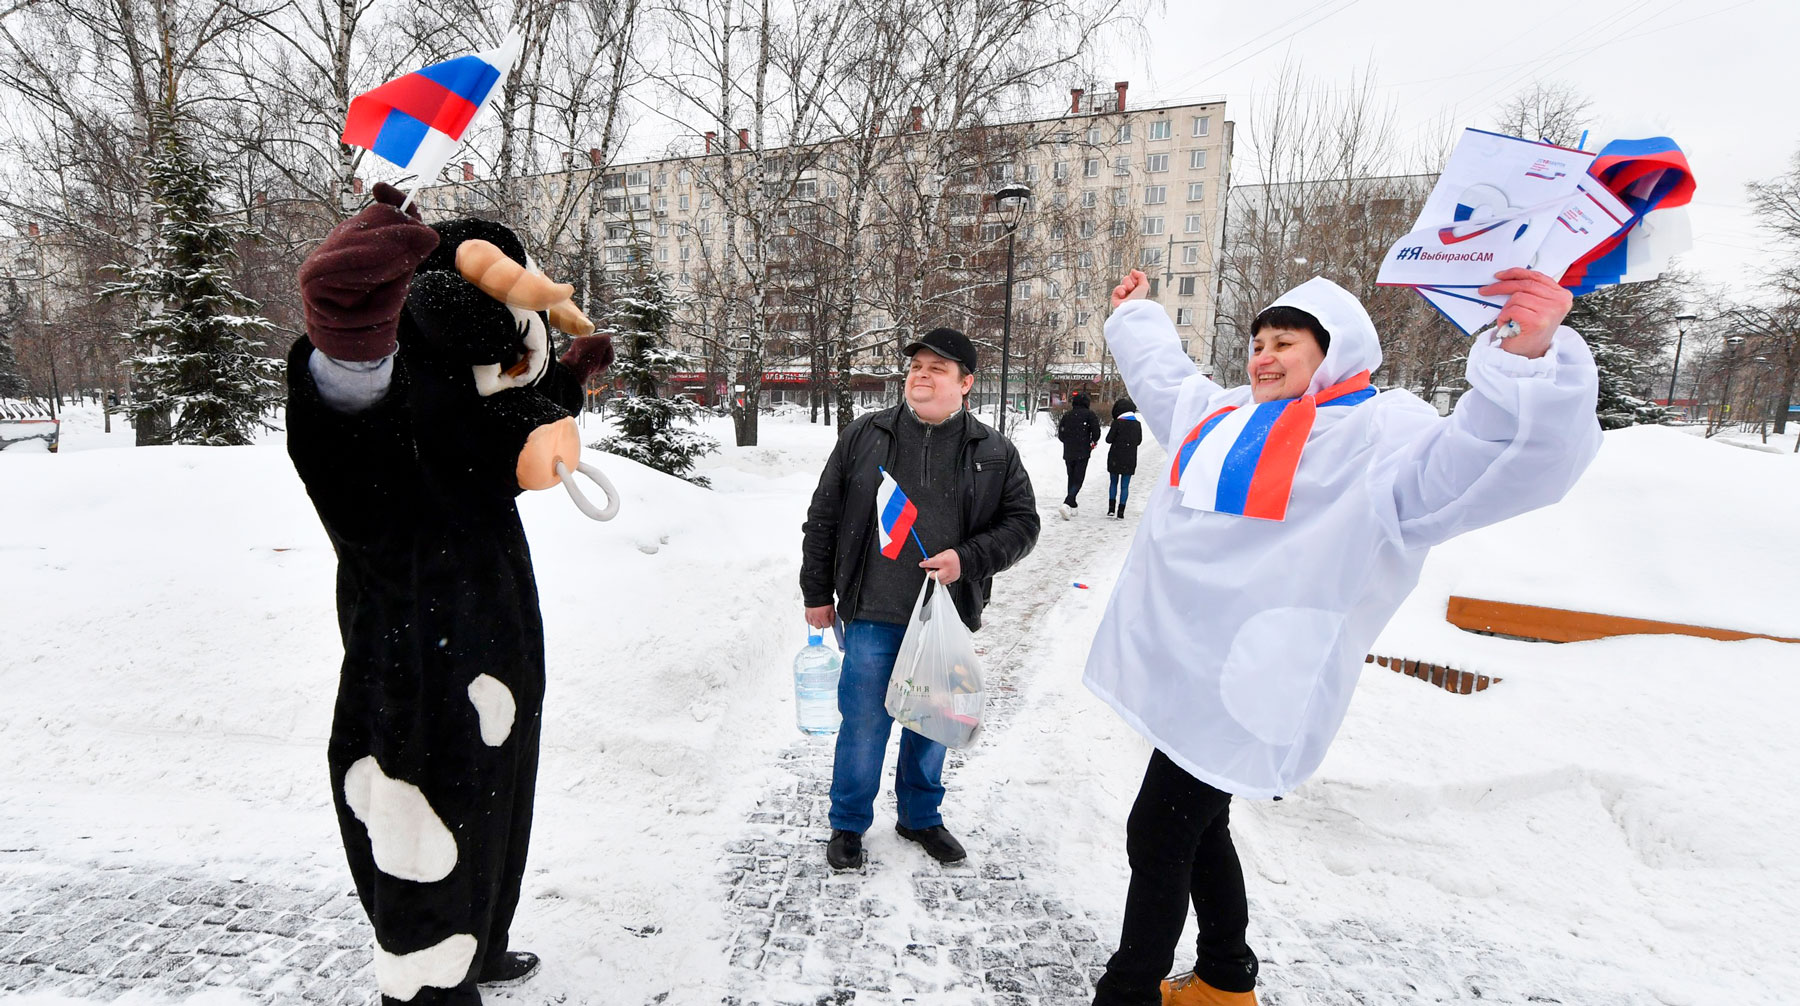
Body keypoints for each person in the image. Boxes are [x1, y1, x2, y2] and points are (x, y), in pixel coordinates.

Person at [1085, 267, 1601, 1006]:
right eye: (1257, 343)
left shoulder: (1377, 433)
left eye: (1284, 343)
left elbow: (1479, 463)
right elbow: (1168, 384)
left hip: (1255, 681)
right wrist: (1135, 316)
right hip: (1189, 672)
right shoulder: (1225, 414)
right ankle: (1227, 979)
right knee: (1202, 828)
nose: (1262, 357)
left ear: (1333, 351)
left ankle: (1127, 993)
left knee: (1159, 833)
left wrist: (1525, 357)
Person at [287, 183, 612, 1005]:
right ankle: (429, 979)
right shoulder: (393, 423)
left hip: (497, 651)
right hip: (415, 671)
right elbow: (353, 427)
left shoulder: (465, 402)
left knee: (497, 801)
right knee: (419, 815)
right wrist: (351, 346)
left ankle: (481, 941)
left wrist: (567, 382)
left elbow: (501, 414)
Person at [800, 327, 1040, 870]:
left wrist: (966, 559)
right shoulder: (865, 435)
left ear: (966, 383)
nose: (922, 375)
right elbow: (824, 518)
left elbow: (1023, 525)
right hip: (872, 610)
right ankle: (848, 823)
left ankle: (920, 816)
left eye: (938, 368)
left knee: (932, 721)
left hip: (943, 617)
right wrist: (816, 591)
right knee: (863, 722)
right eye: (916, 367)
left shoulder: (994, 451)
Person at [1058, 391, 1103, 511]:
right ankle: (1067, 502)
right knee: (1078, 478)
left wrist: (1068, 441)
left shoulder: (1067, 415)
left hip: (1068, 451)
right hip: (1083, 451)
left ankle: (1072, 505)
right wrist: (1092, 441)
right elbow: (1096, 433)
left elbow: (1061, 434)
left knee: (1071, 477)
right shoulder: (1089, 415)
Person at [1105, 395, 1142, 519]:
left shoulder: (1117, 423)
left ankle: (1111, 509)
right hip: (1130, 458)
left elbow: (1108, 440)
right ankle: (1121, 511)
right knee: (1125, 486)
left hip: (1115, 457)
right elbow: (1139, 441)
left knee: (1113, 483)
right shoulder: (1137, 424)